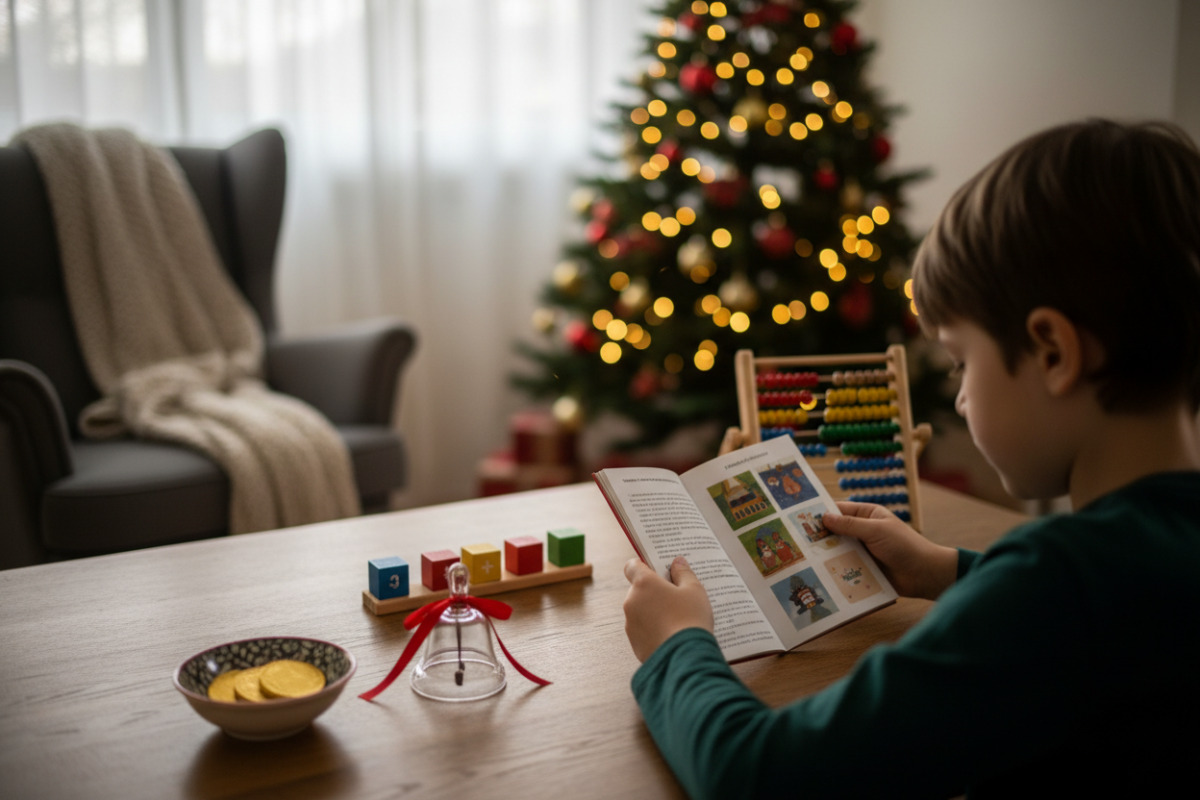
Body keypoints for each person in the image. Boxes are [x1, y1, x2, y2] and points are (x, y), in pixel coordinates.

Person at [621, 119, 1200, 798]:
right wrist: (947, 570)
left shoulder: (1058, 586)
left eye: (961, 362)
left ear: (1052, 351)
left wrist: (676, 647)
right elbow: (1114, 615)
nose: (957, 398)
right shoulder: (1140, 565)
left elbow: (760, 775)